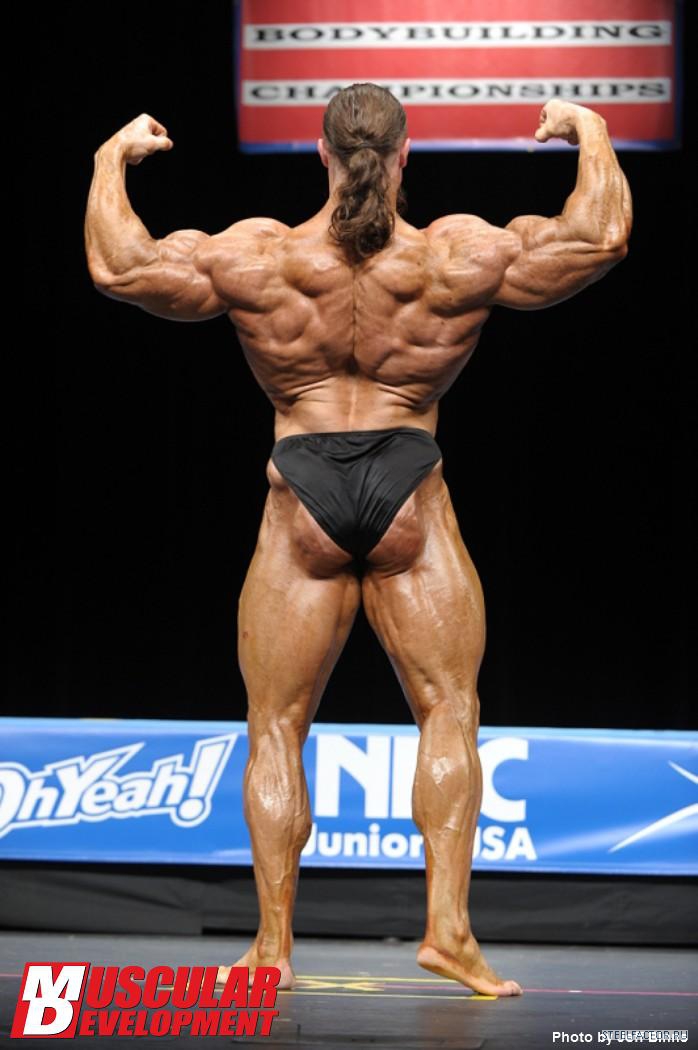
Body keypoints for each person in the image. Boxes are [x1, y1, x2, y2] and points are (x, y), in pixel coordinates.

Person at [85, 83, 631, 997]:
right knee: (448, 710)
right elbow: (600, 236)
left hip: (299, 491)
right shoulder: (455, 255)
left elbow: (119, 266)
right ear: (406, 155)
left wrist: (111, 158)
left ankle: (271, 946)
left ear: (322, 154)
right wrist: (592, 129)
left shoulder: (260, 256)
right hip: (408, 485)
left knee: (276, 727)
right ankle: (448, 933)